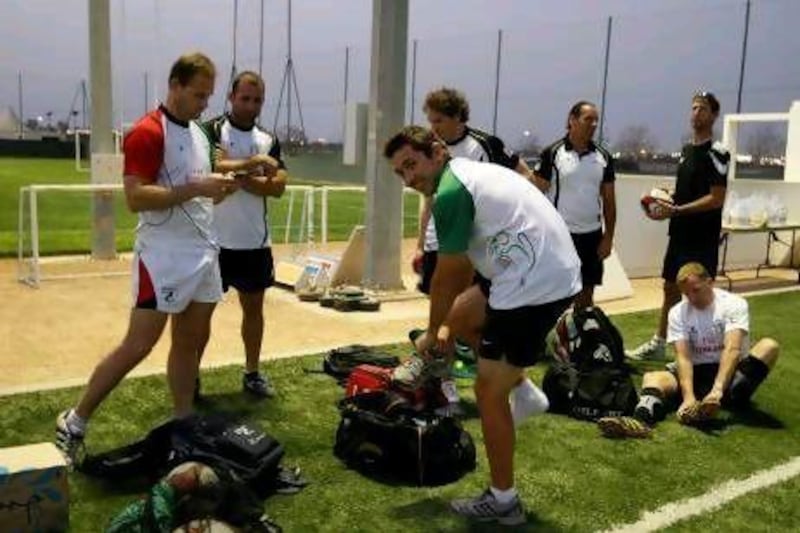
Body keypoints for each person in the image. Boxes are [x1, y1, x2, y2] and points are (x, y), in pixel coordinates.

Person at [384, 126, 581, 525]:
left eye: (411, 164)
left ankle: (504, 501)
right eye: (400, 173)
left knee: (487, 391)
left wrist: (428, 334)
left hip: (532, 282)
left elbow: (451, 274)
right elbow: (468, 269)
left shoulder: (452, 191)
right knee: (461, 318)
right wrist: (444, 329)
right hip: (536, 267)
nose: (408, 178)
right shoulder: (468, 174)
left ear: (437, 152)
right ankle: (525, 392)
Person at [55, 52, 236, 464]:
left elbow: (198, 184)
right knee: (138, 344)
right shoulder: (146, 131)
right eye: (197, 94)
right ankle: (75, 420)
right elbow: (135, 197)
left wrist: (220, 186)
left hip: (205, 251)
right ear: (174, 85)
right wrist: (196, 190)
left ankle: (184, 423)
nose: (203, 103)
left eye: (208, 96)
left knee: (190, 344)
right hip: (163, 256)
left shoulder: (201, 134)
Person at [409, 86, 536, 417]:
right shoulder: (431, 150)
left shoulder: (483, 145)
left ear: (456, 117)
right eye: (430, 120)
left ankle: (511, 384)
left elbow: (524, 176)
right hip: (441, 243)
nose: (433, 127)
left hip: (475, 249)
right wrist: (422, 243)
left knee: (468, 323)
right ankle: (447, 391)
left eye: (438, 120)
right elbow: (428, 198)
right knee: (442, 322)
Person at [599, 262, 780, 438]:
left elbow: (732, 349)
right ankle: (639, 422)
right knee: (652, 378)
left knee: (768, 346)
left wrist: (717, 389)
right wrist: (688, 397)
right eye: (686, 294)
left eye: (696, 290)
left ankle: (727, 398)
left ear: (710, 282)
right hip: (697, 371)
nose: (692, 298)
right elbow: (683, 357)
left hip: (730, 370)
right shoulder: (678, 312)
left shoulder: (734, 304)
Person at [198, 71, 288, 399]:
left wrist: (241, 174)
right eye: (245, 98)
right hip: (212, 241)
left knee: (254, 311)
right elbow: (215, 166)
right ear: (231, 97)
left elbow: (277, 186)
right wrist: (256, 165)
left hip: (253, 242)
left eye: (257, 100)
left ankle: (252, 373)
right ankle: (191, 375)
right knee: (200, 313)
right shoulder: (210, 130)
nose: (251, 105)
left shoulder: (268, 138)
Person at [627, 91, 729, 360]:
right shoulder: (686, 151)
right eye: (694, 108)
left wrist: (679, 209)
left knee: (697, 293)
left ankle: (698, 354)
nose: (697, 113)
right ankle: (660, 344)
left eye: (703, 109)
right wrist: (666, 197)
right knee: (670, 287)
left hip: (702, 236)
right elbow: (689, 191)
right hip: (680, 234)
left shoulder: (718, 153)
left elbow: (716, 198)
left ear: (714, 115)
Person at [534, 101, 616, 309]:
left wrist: (608, 238)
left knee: (586, 295)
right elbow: (535, 195)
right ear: (572, 120)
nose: (593, 124)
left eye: (596, 120)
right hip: (560, 236)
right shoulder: (552, 153)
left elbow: (609, 201)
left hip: (592, 237)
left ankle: (580, 339)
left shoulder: (603, 157)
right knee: (555, 294)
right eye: (588, 119)